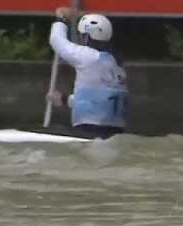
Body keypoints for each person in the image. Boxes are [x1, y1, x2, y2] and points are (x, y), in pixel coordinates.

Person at [45, 7, 128, 140]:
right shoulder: (117, 65)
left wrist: (61, 19)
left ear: (87, 37)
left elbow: (57, 41)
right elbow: (98, 100)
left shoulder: (89, 57)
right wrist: (64, 99)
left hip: (89, 129)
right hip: (115, 131)